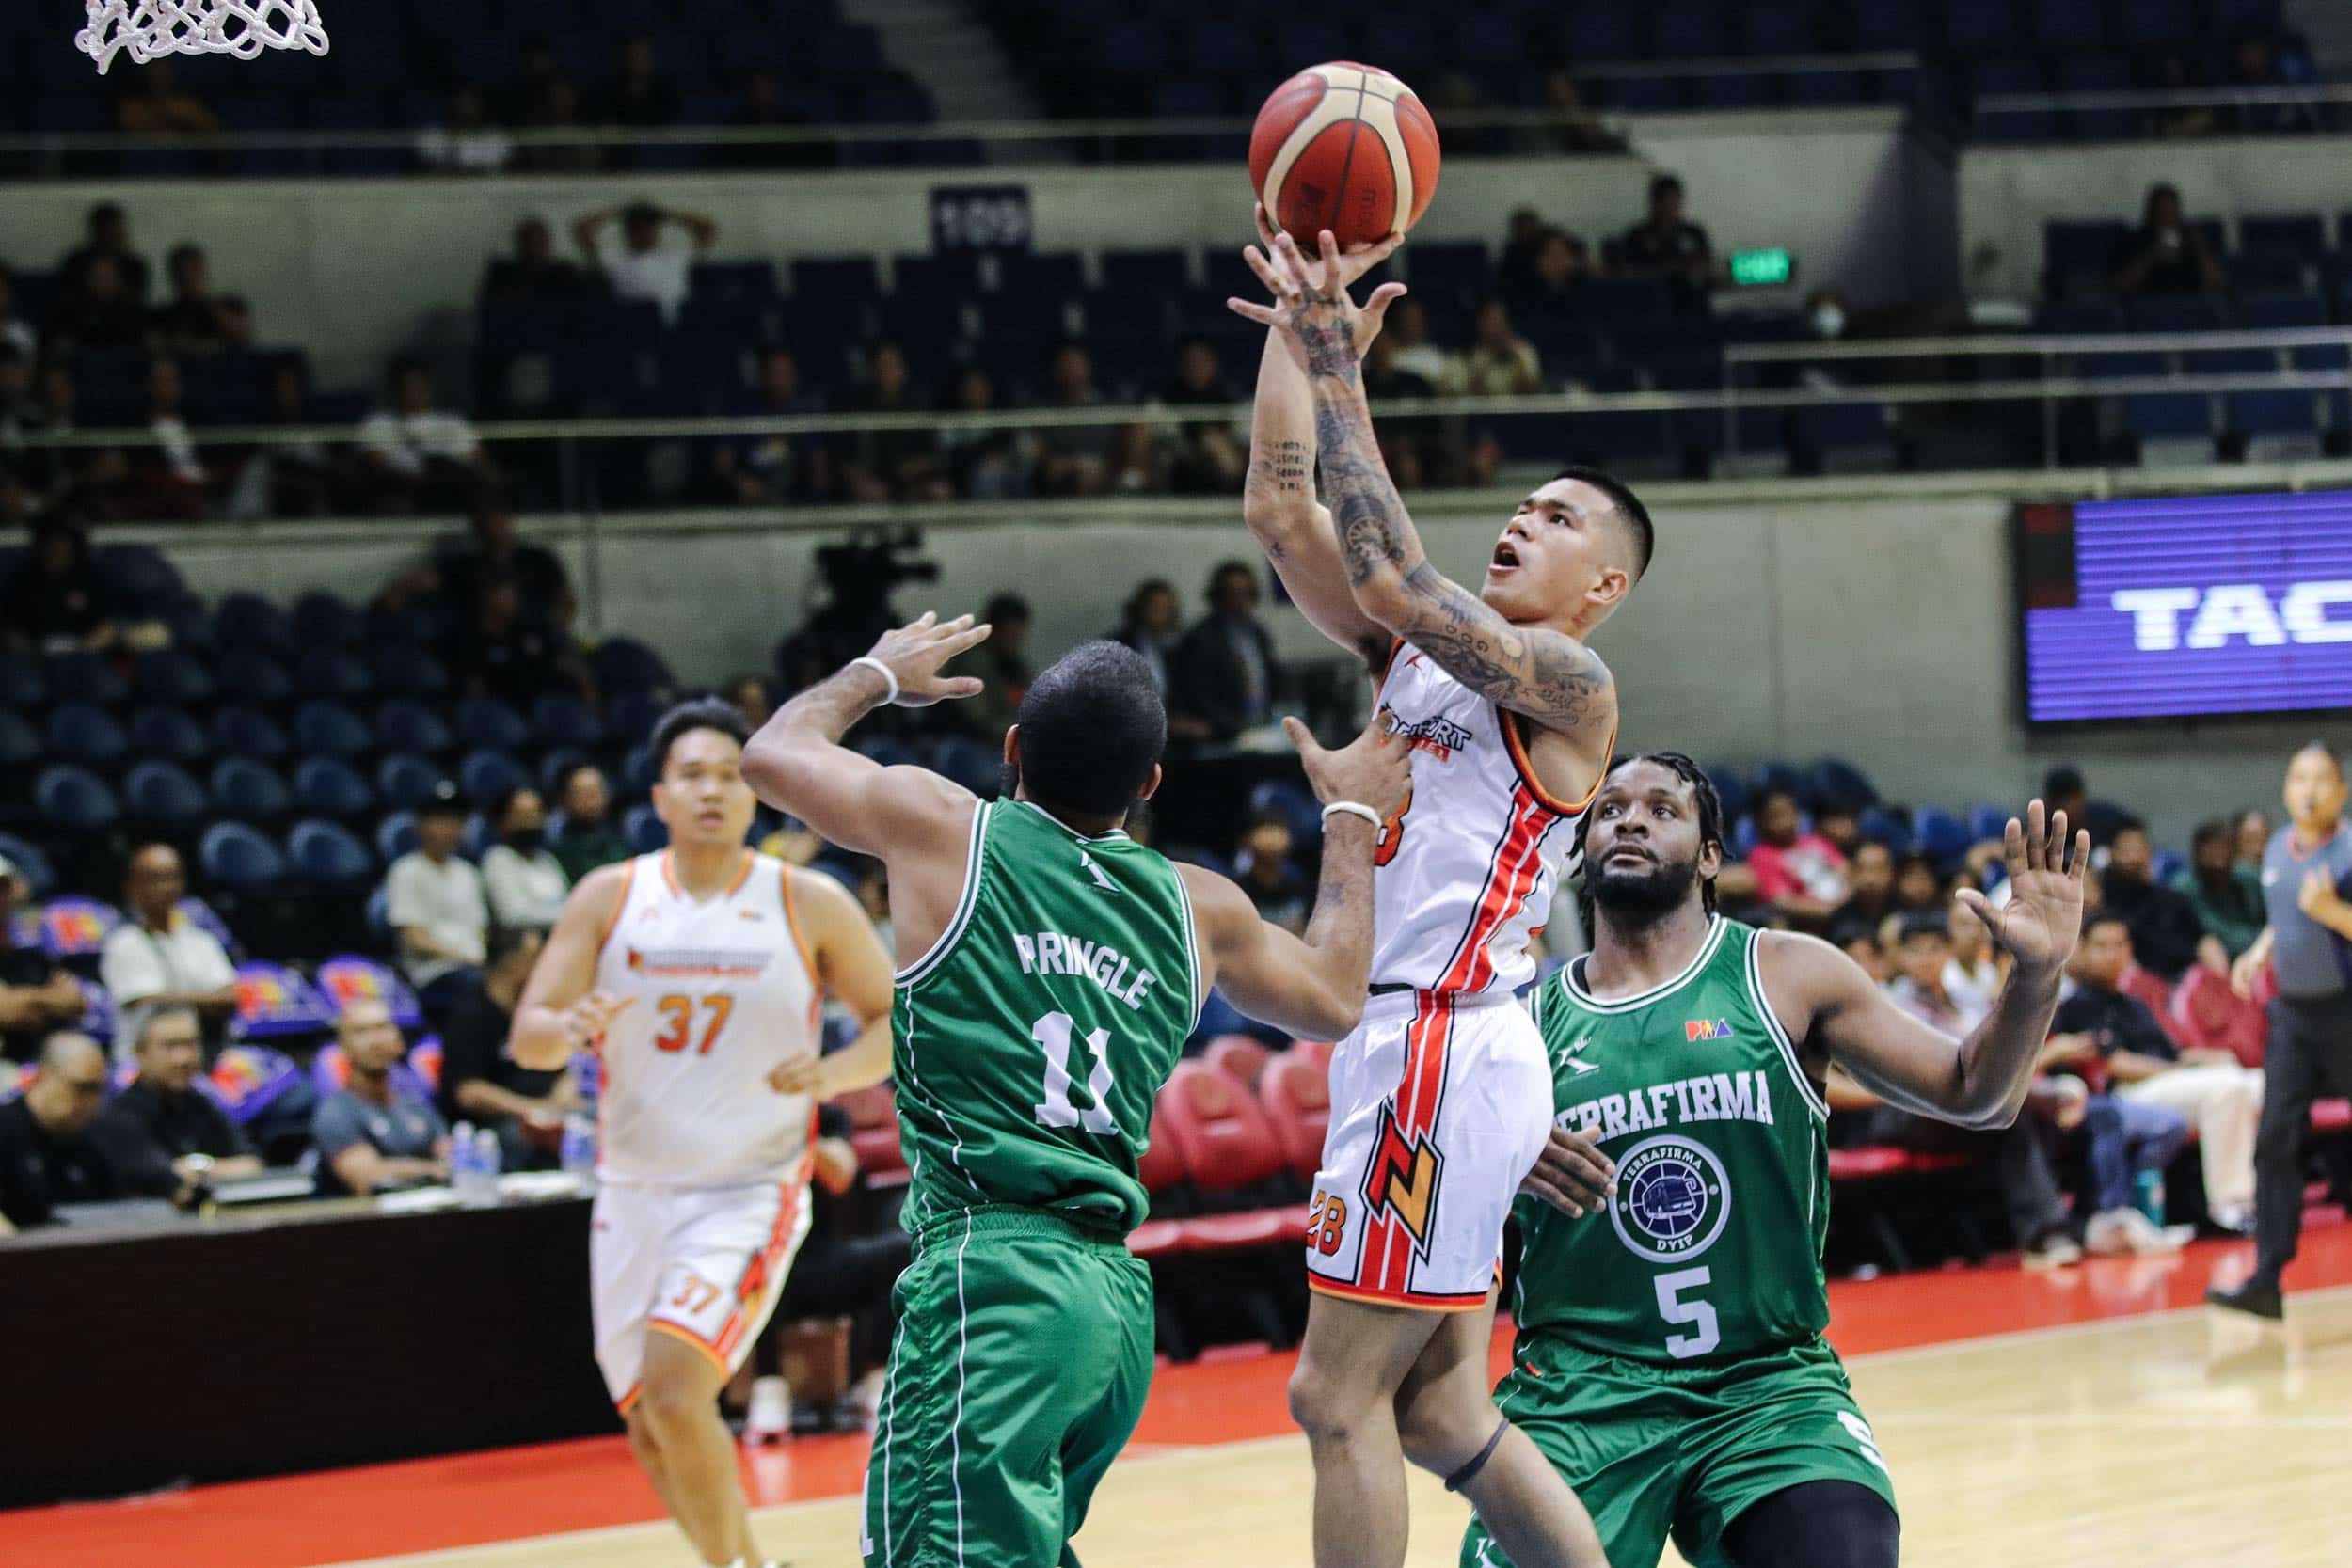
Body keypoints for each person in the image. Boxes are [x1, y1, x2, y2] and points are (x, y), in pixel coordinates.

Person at [739, 612, 1406, 1568]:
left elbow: (771, 753)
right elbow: (1340, 996)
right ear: (1148, 785)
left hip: (991, 1275)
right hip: (1111, 1304)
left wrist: (873, 672)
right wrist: (1351, 820)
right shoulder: (1200, 905)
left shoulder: (945, 829)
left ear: (1012, 747)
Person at [1234, 214, 1648, 1568]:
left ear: (1606, 584)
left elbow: (1397, 577)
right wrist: (1299, 348)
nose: (1524, 519)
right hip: (1428, 1044)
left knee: (1331, 1393)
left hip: (1440, 1038)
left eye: (1560, 518)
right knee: (1442, 1404)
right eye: (1522, 504)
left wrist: (1341, 363)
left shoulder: (1571, 687)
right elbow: (1284, 512)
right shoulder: (1413, 663)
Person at [1465, 757, 2089, 1568]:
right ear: (1581, 848)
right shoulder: (1520, 1023)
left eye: (1662, 808)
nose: (1630, 819)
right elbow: (1425, 1174)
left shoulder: (1785, 974)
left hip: (1766, 1389)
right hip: (1581, 1395)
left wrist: (2037, 975)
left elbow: (1978, 1093)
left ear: (1712, 854)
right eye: (1610, 808)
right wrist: (1494, 1150)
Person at [511, 697, 898, 1568]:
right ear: (659, 795)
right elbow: (528, 1034)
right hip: (632, 1192)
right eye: (694, 774)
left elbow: (892, 1023)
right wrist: (567, 1026)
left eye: (730, 774)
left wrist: (832, 1075)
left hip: (749, 1186)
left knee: (681, 1386)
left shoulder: (807, 900)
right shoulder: (611, 896)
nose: (713, 790)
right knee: (652, 1421)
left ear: (755, 793)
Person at [2210, 742, 2352, 1320]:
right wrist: (2258, 950)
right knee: (2275, 1139)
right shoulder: (2275, 849)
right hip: (2292, 1015)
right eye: (2298, 778)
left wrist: (2333, 913)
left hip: (2346, 1008)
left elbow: (2319, 913)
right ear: (2286, 789)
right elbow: (2283, 915)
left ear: (2341, 793)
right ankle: (2267, 1276)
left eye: (2322, 779)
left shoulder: (2349, 851)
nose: (2309, 789)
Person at [1855, 911, 2084, 1266]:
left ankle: (2064, 1226)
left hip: (1960, 1106)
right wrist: (2042, 1095)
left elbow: (1999, 1058)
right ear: (1899, 957)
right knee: (2008, 1116)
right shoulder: (1891, 1003)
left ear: (1948, 952)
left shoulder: (1966, 1000)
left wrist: (2046, 1091)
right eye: (1916, 952)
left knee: (2029, 1116)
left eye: (1935, 949)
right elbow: (1957, 1066)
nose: (1926, 960)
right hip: (1906, 1111)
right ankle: (2045, 1235)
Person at [2054, 911, 2262, 1234]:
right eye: (2102, 946)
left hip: (2168, 1082)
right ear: (2082, 949)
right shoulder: (2078, 1005)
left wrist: (2214, 1058)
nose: (2112, 954)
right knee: (2228, 1090)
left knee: (2255, 1083)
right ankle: (2230, 1206)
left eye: (2120, 944)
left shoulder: (2133, 1004)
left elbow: (2176, 1053)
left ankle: (2263, 1194)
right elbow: (2113, 1063)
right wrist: (2178, 1068)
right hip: (2125, 1094)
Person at [437, 927, 578, 1169]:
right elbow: (469, 1092)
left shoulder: (539, 1011)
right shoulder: (471, 1015)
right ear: (513, 963)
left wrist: (562, 1095)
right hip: (499, 1124)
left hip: (553, 1112)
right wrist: (532, 1110)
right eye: (537, 957)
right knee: (519, 1138)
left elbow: (569, 1061)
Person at [89, 1005, 261, 1202]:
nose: (184, 1058)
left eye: (191, 1044)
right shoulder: (119, 1114)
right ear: (140, 1053)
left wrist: (198, 1166)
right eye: (170, 1046)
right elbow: (167, 1178)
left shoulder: (202, 1105)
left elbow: (252, 1165)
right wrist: (217, 1169)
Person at [99, 842, 239, 1057]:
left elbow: (229, 998)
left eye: (173, 877)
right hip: (138, 1064)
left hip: (197, 1058)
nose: (166, 887)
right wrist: (204, 999)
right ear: (133, 888)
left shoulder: (202, 940)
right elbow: (143, 1000)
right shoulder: (122, 943)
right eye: (155, 879)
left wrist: (168, 997)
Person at [312, 998, 452, 1196]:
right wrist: (431, 1169)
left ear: (400, 1041)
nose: (375, 1040)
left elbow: (452, 1156)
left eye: (382, 1027)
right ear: (343, 1048)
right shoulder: (335, 1112)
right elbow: (367, 1179)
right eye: (360, 1031)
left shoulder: (416, 1103)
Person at [385, 781, 490, 1024]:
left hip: (475, 967)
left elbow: (481, 931)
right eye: (440, 819)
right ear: (421, 824)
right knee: (477, 987)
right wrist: (468, 958)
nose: (450, 828)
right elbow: (415, 939)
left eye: (456, 820)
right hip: (432, 973)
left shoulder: (468, 873)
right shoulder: (406, 871)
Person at [0, 1034, 119, 1232]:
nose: (92, 1102)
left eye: (98, 1090)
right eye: (81, 1088)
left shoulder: (92, 1142)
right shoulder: (5, 1130)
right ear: (41, 1077)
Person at [357, 357, 490, 513]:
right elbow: (375, 463)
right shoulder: (377, 424)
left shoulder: (454, 422)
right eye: (408, 386)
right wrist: (420, 478)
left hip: (457, 489)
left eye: (419, 385)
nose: (414, 391)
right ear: (395, 389)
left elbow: (478, 459)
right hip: (405, 490)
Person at [1168, 560, 1279, 744]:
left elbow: (1269, 680)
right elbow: (1198, 693)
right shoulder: (1201, 637)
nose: (1240, 600)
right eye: (1233, 593)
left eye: (1246, 593)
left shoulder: (1258, 633)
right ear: (1219, 595)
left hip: (1260, 728)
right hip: (1219, 734)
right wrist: (1229, 727)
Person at [2100, 818, 2217, 982]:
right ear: (2112, 854)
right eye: (2127, 851)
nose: (2135, 858)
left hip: (2187, 981)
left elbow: (2204, 942)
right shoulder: (2103, 904)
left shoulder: (2173, 899)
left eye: (2140, 849)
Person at [0, 854, 86, 1065]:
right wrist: (49, 1001)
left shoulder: (32, 957)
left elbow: (76, 1003)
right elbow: (7, 1012)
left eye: (3, 887)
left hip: (44, 1062)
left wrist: (26, 1000)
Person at [573, 201, 717, 325]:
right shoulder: (613, 259)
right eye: (636, 228)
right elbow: (581, 229)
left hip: (675, 328)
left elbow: (707, 229)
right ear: (627, 232)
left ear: (656, 230)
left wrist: (665, 214)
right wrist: (620, 211)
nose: (643, 232)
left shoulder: (677, 256)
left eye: (648, 227)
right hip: (630, 327)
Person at [1746, 788, 1851, 927]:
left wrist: (1845, 898)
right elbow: (1782, 901)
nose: (1786, 822)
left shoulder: (1815, 841)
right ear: (1761, 822)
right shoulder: (1763, 855)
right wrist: (1826, 909)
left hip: (1842, 908)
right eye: (1776, 816)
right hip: (1807, 922)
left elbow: (1845, 870)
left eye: (1789, 812)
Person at [2172, 819, 2267, 961]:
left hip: (2257, 956)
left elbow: (2270, 920)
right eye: (2211, 853)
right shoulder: (2184, 888)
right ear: (2196, 855)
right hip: (2208, 962)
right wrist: (2261, 942)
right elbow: (2214, 932)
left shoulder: (2248, 879)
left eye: (2224, 851)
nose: (2219, 862)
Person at [1613, 173, 1714, 306]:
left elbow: (1709, 268)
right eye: (1665, 202)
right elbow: (1626, 273)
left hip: (1692, 304)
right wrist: (1667, 271)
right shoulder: (1637, 236)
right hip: (1651, 305)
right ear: (1654, 203)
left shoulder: (1694, 233)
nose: (1669, 208)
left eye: (1674, 202)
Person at [481, 785, 570, 936]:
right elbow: (513, 916)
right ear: (504, 821)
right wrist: (566, 916)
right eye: (523, 815)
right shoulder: (498, 859)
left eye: (536, 814)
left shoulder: (547, 860)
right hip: (521, 943)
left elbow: (568, 901)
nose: (531, 823)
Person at [2108, 183, 2224, 298]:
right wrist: (2151, 256)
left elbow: (2218, 284)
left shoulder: (2192, 239)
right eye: (2162, 212)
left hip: (2189, 304)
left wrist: (2200, 250)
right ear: (2152, 213)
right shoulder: (2138, 240)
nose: (2168, 218)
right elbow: (2120, 286)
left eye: (2172, 212)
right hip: (2150, 305)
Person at [1108, 578, 1183, 705]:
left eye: (1165, 609)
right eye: (1154, 607)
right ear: (1139, 609)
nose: (1159, 614)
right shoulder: (1118, 646)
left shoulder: (1180, 645)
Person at [480, 216, 586, 304]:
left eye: (541, 241)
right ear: (521, 244)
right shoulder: (503, 275)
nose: (538, 247)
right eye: (534, 241)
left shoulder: (563, 274)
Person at [553, 763, 630, 882]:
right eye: (583, 794)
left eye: (596, 793)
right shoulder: (558, 853)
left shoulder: (619, 841)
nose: (591, 802)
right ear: (565, 801)